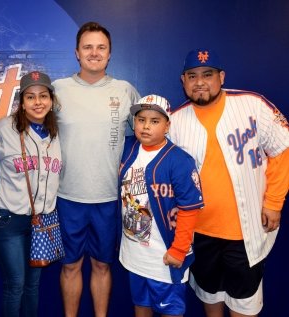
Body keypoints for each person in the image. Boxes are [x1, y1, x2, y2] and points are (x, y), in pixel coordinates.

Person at [169, 48, 289, 317]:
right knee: (210, 300)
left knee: (244, 306)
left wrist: (273, 202)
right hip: (199, 233)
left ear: (221, 77)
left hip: (244, 233)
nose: (200, 82)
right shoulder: (174, 122)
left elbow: (283, 148)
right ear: (183, 81)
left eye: (208, 74)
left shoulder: (252, 105)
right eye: (192, 76)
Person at [52, 21, 140, 317]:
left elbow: (148, 134)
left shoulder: (125, 90)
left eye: (101, 47)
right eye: (87, 47)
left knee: (103, 265)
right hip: (66, 196)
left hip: (108, 198)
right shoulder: (57, 90)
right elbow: (29, 129)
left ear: (110, 53)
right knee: (70, 265)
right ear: (77, 53)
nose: (94, 52)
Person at [119, 94, 203, 317]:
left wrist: (179, 249)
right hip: (134, 253)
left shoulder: (180, 160)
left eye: (154, 121)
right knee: (141, 304)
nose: (146, 126)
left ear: (167, 125)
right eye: (141, 119)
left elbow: (190, 209)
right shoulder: (128, 149)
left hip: (165, 257)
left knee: (171, 310)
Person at [0, 71, 61, 317]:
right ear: (22, 101)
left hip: (41, 220)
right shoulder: (3, 129)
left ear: (51, 99)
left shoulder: (57, 132)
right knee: (15, 284)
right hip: (9, 219)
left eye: (43, 96)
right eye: (30, 97)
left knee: (33, 285)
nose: (37, 102)